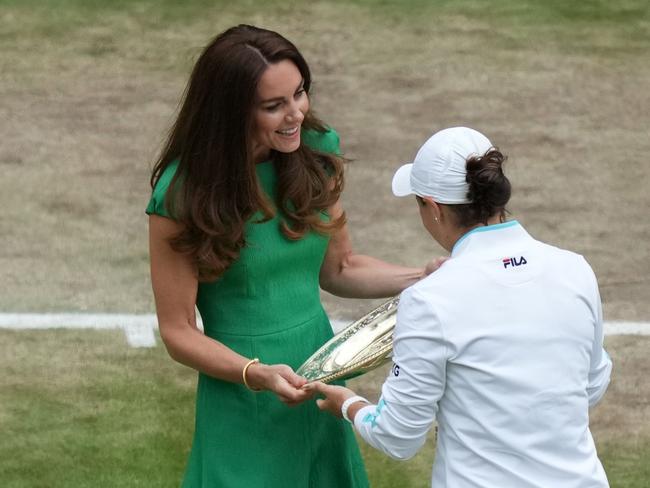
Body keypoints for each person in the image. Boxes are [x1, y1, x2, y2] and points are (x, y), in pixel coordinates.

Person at [146, 25, 441, 487]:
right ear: (230, 112)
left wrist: (420, 276)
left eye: (299, 93)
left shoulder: (318, 151)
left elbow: (341, 268)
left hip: (320, 374)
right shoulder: (180, 194)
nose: (296, 114)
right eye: (273, 105)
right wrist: (255, 373)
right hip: (242, 390)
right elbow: (178, 331)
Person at [308, 127, 613, 488]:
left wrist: (348, 403)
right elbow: (591, 384)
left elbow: (398, 436)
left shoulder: (429, 300)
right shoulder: (575, 268)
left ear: (434, 209)